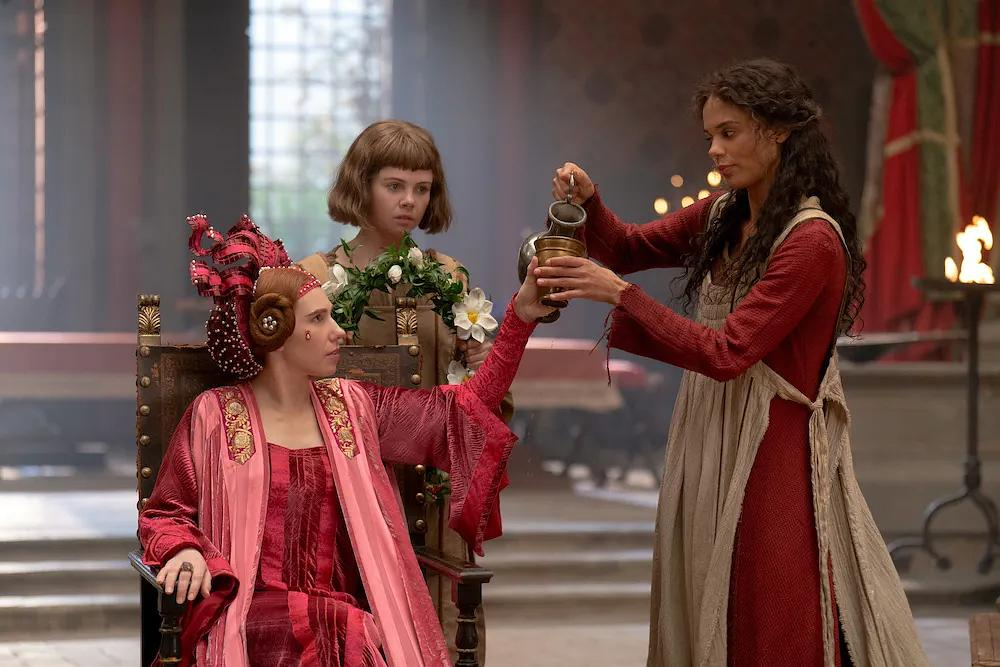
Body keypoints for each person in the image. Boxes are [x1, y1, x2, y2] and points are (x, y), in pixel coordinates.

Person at [538, 59, 926, 666]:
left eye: (729, 132)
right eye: (710, 137)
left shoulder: (812, 240)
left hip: (773, 439)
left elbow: (730, 352)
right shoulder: (725, 212)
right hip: (710, 424)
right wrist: (591, 203)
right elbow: (629, 247)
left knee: (768, 597)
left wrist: (620, 295)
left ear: (779, 131)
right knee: (705, 585)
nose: (715, 150)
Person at [140, 214, 552, 666]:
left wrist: (520, 318)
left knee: (337, 625)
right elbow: (165, 513)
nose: (340, 331)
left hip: (341, 623)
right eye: (320, 318)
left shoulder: (355, 407)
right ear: (276, 330)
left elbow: (463, 410)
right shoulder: (215, 415)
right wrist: (184, 550)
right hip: (246, 621)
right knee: (334, 625)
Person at [298, 120, 507, 662]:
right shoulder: (314, 277)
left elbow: (480, 404)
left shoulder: (449, 276)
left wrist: (481, 364)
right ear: (361, 185)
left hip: (431, 492)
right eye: (394, 185)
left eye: (422, 188)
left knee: (444, 627)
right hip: (347, 484)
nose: (409, 201)